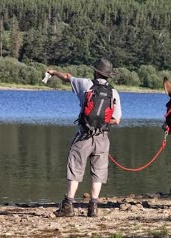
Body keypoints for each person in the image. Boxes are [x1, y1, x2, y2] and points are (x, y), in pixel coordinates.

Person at [46, 58, 122, 217]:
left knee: (75, 168)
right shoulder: (113, 93)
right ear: (108, 75)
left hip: (84, 136)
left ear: (95, 72)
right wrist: (103, 122)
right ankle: (93, 207)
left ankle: (68, 206)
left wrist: (53, 72)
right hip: (102, 137)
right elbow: (117, 120)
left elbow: (67, 77)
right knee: (98, 172)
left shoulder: (86, 85)